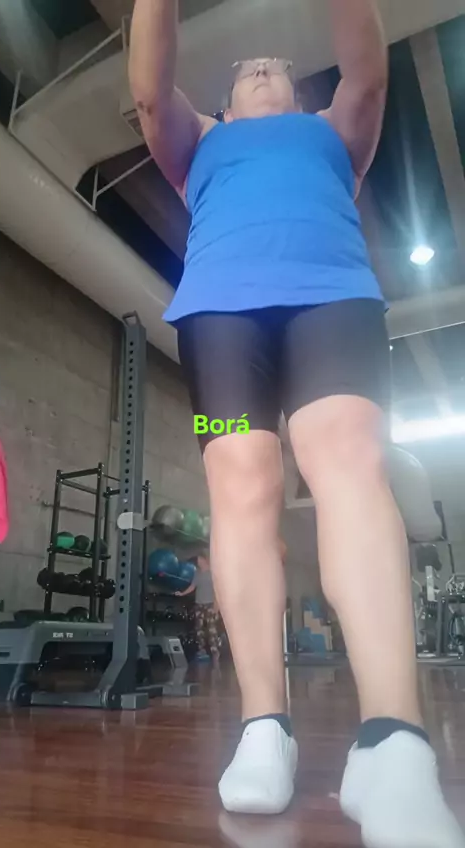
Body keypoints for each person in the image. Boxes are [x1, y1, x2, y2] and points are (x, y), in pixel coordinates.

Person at [129, 3, 465, 846]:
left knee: (349, 462)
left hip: (332, 299)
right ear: (224, 104)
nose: (260, 63)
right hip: (223, 317)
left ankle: (393, 744)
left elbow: (368, 71)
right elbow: (149, 90)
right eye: (245, 67)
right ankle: (263, 728)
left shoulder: (331, 132)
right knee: (241, 485)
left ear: (300, 91)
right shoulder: (200, 142)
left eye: (275, 62)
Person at [176, 548, 220, 662]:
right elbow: (192, 586)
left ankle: (215, 651)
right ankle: (201, 650)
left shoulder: (213, 573)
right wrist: (182, 593)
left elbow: (218, 590)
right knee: (199, 629)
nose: (198, 561)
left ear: (204, 559)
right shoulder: (197, 573)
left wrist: (216, 606)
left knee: (211, 629)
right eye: (197, 560)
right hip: (199, 604)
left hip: (210, 604)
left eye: (199, 559)